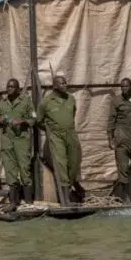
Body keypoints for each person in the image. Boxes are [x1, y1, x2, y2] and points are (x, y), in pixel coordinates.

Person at [37, 74, 83, 204]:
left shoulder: (71, 99)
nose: (65, 85)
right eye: (62, 83)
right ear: (55, 86)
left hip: (71, 134)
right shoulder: (46, 102)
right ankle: (65, 199)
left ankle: (72, 188)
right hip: (56, 136)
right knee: (61, 164)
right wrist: (50, 130)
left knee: (74, 163)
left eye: (65, 83)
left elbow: (72, 115)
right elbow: (39, 121)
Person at [0, 78, 37, 208]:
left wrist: (23, 121)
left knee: (24, 168)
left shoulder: (26, 102)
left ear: (18, 89)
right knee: (10, 170)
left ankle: (28, 201)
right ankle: (14, 201)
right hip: (7, 140)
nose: (9, 89)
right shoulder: (2, 104)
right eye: (8, 86)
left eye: (12, 87)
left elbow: (34, 118)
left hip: (21, 140)